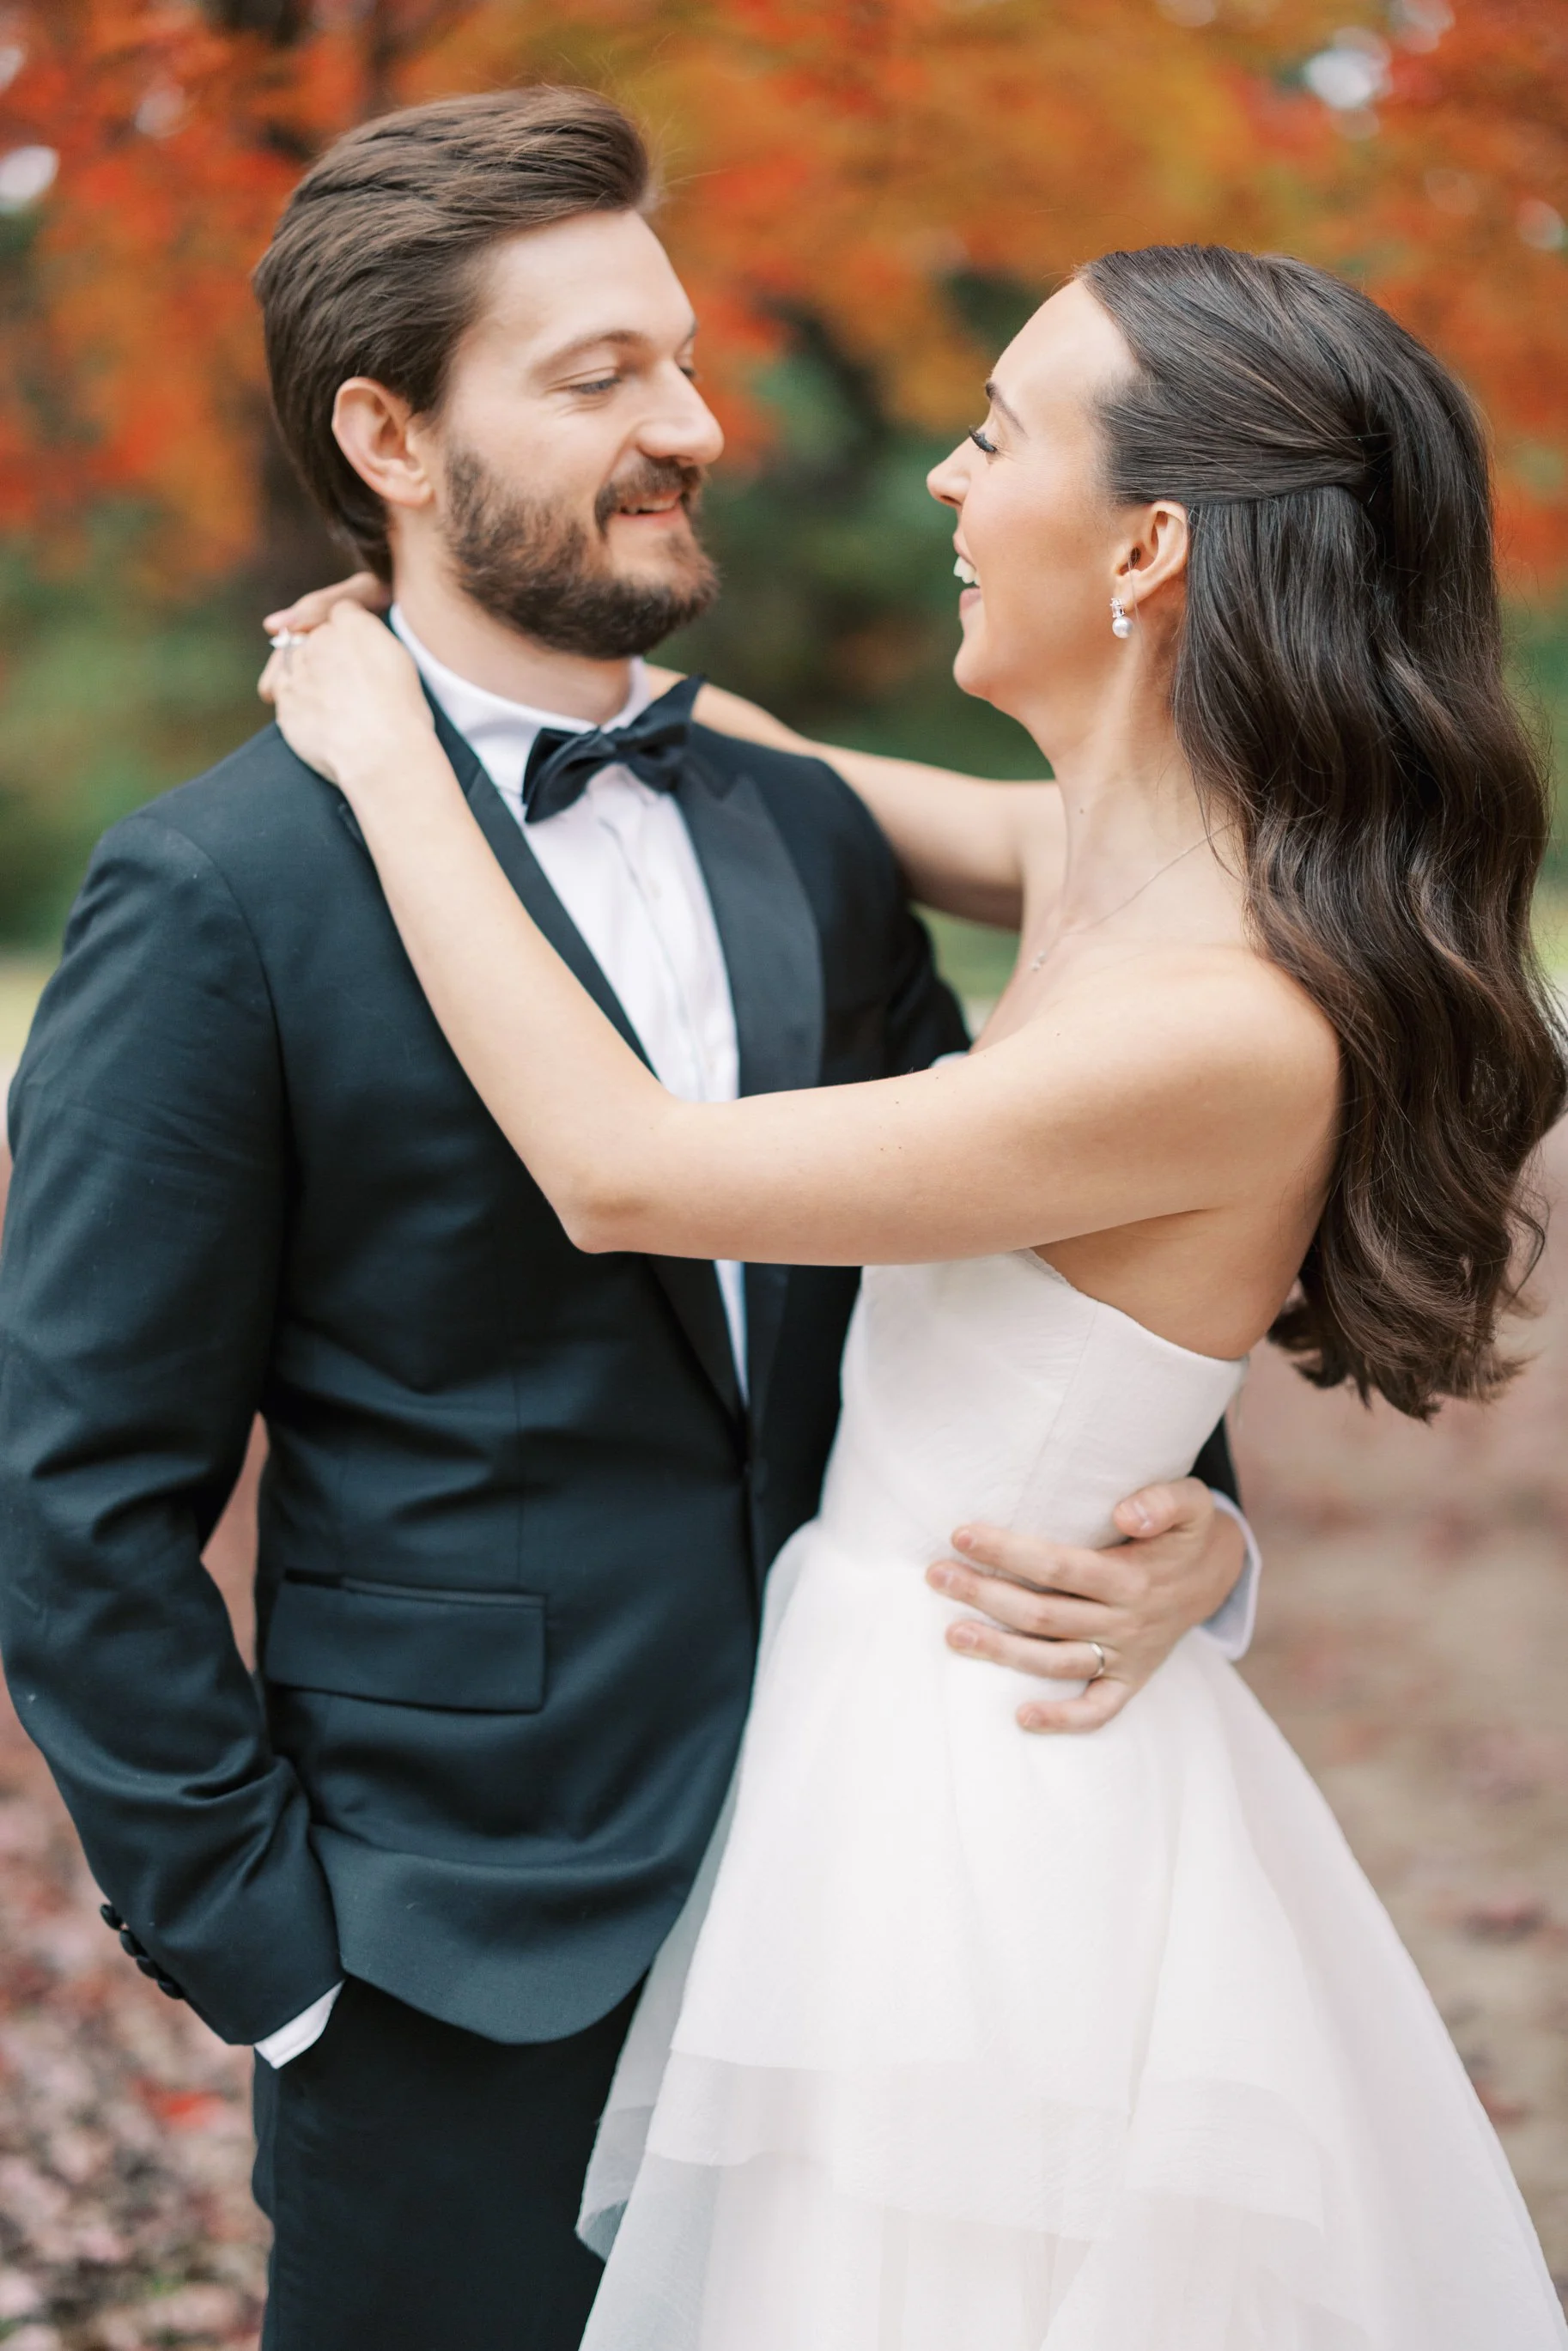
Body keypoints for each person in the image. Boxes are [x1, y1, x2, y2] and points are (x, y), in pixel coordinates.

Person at [0, 91, 1255, 2351]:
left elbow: (1034, 1245)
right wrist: (280, 1961)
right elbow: (74, 1495)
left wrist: (1196, 1528)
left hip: (891, 1896)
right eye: (595, 379)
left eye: (679, 359)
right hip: (449, 1962)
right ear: (388, 432)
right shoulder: (221, 891)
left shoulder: (799, 825)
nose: (689, 424)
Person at [262, 240, 1568, 2346]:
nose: (946, 488)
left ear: (1146, 546)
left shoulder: (1226, 1022)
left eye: (992, 434)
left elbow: (628, 1174)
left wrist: (391, 764)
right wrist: (483, 659)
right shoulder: (1093, 859)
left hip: (990, 1812)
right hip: (886, 1719)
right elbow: (728, 754)